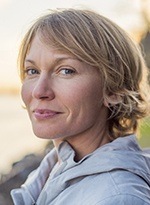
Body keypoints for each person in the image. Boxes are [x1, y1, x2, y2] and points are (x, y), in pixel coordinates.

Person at [11, 8, 150, 205]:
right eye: (32, 70)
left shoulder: (118, 198)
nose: (39, 91)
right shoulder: (51, 169)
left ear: (114, 90)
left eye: (66, 71)